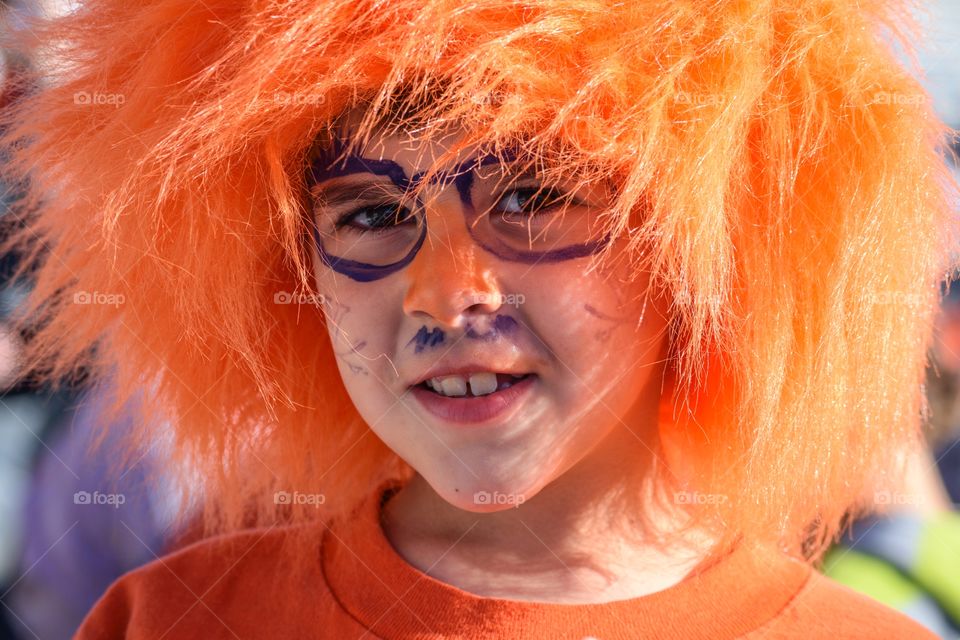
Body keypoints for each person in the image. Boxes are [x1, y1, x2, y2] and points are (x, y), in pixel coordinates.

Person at [0, 0, 957, 637]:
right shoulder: (175, 619)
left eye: (535, 197)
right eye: (371, 216)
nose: (447, 293)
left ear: (705, 245)